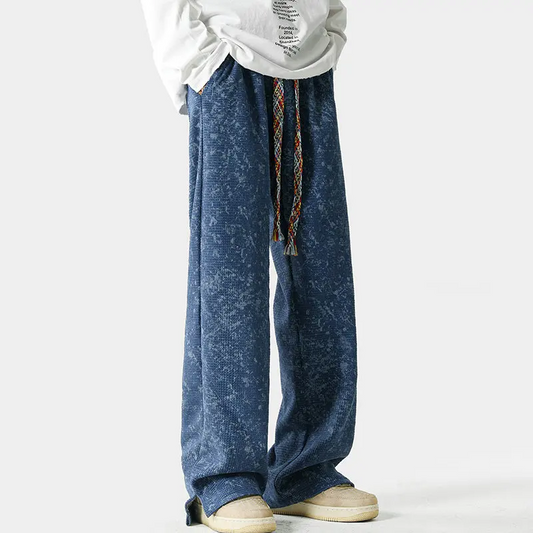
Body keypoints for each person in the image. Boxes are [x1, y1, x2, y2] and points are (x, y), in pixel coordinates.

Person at [140, 1, 379, 531]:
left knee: (323, 275)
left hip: (308, 66)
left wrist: (329, 31)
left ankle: (306, 468)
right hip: (227, 62)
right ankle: (223, 476)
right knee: (229, 280)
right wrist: (198, 61)